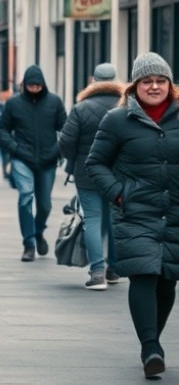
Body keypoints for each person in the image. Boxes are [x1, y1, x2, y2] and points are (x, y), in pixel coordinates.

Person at [86, 52, 179, 379]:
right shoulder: (117, 120)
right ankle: (151, 347)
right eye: (147, 81)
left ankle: (150, 338)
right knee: (144, 273)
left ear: (170, 84)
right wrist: (120, 192)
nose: (154, 86)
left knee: (167, 278)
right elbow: (94, 163)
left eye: (161, 80)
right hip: (136, 211)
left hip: (175, 212)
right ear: (135, 86)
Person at [58, 62, 123, 290]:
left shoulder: (81, 108)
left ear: (92, 80)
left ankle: (97, 273)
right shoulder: (126, 105)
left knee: (93, 219)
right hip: (117, 174)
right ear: (115, 79)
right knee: (114, 219)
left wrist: (74, 159)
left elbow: (66, 141)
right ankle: (114, 269)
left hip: (87, 172)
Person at [0, 65, 67, 262]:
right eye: (30, 85)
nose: (34, 88)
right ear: (24, 85)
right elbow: (3, 129)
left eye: (37, 85)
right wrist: (15, 149)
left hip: (48, 159)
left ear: (43, 84)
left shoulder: (54, 102)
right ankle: (28, 244)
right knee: (26, 197)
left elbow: (67, 129)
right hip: (23, 158)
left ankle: (38, 231)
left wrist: (57, 151)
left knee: (45, 205)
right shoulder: (13, 104)